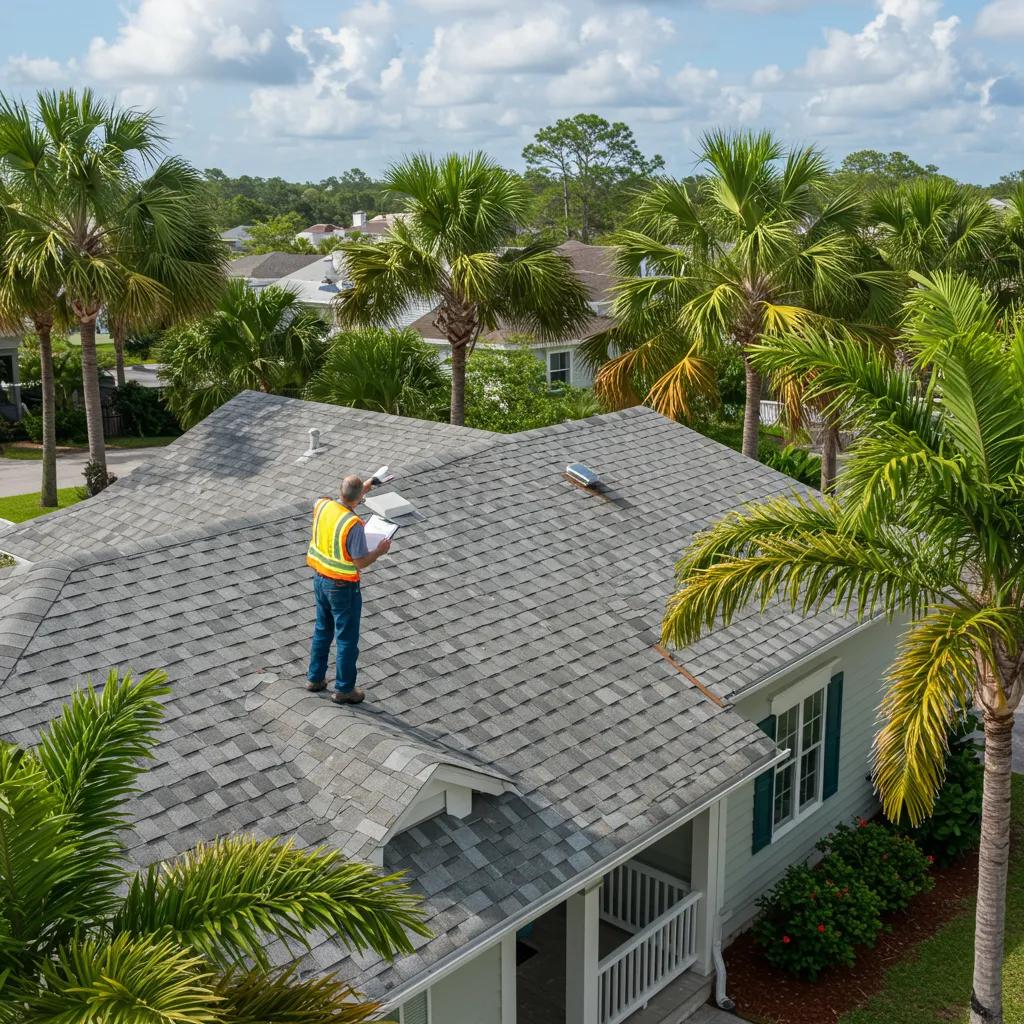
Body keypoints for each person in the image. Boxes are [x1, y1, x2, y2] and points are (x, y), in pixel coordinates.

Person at [305, 474, 391, 704]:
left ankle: (315, 678)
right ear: (357, 500)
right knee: (346, 639)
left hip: (320, 580)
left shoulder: (322, 505)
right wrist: (379, 551)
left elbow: (341, 500)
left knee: (323, 630)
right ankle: (344, 689)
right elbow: (360, 562)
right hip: (342, 587)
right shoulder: (353, 525)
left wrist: (363, 488)